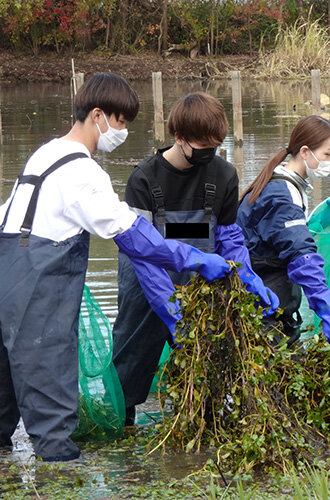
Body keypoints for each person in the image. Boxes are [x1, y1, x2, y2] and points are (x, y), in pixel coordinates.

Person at [0, 73, 231, 462]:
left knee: (6, 377)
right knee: (49, 377)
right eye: (121, 122)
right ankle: (58, 470)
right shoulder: (85, 171)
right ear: (97, 115)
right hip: (38, 278)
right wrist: (193, 258)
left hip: (8, 264)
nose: (122, 131)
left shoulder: (46, 152)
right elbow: (130, 233)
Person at [112, 92, 278, 427]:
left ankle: (203, 424)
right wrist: (170, 306)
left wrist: (246, 276)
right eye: (203, 145)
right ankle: (123, 424)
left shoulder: (224, 175)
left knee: (208, 364)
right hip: (144, 282)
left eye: (215, 145)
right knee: (131, 360)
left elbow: (228, 237)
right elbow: (143, 253)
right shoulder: (143, 178)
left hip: (203, 280)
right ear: (179, 137)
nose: (210, 153)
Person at [237, 115, 330, 344]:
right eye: (328, 154)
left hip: (266, 302)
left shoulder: (286, 184)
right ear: (305, 151)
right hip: (262, 307)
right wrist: (327, 311)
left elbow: (279, 234)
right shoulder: (282, 194)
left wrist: (313, 223)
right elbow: (301, 256)